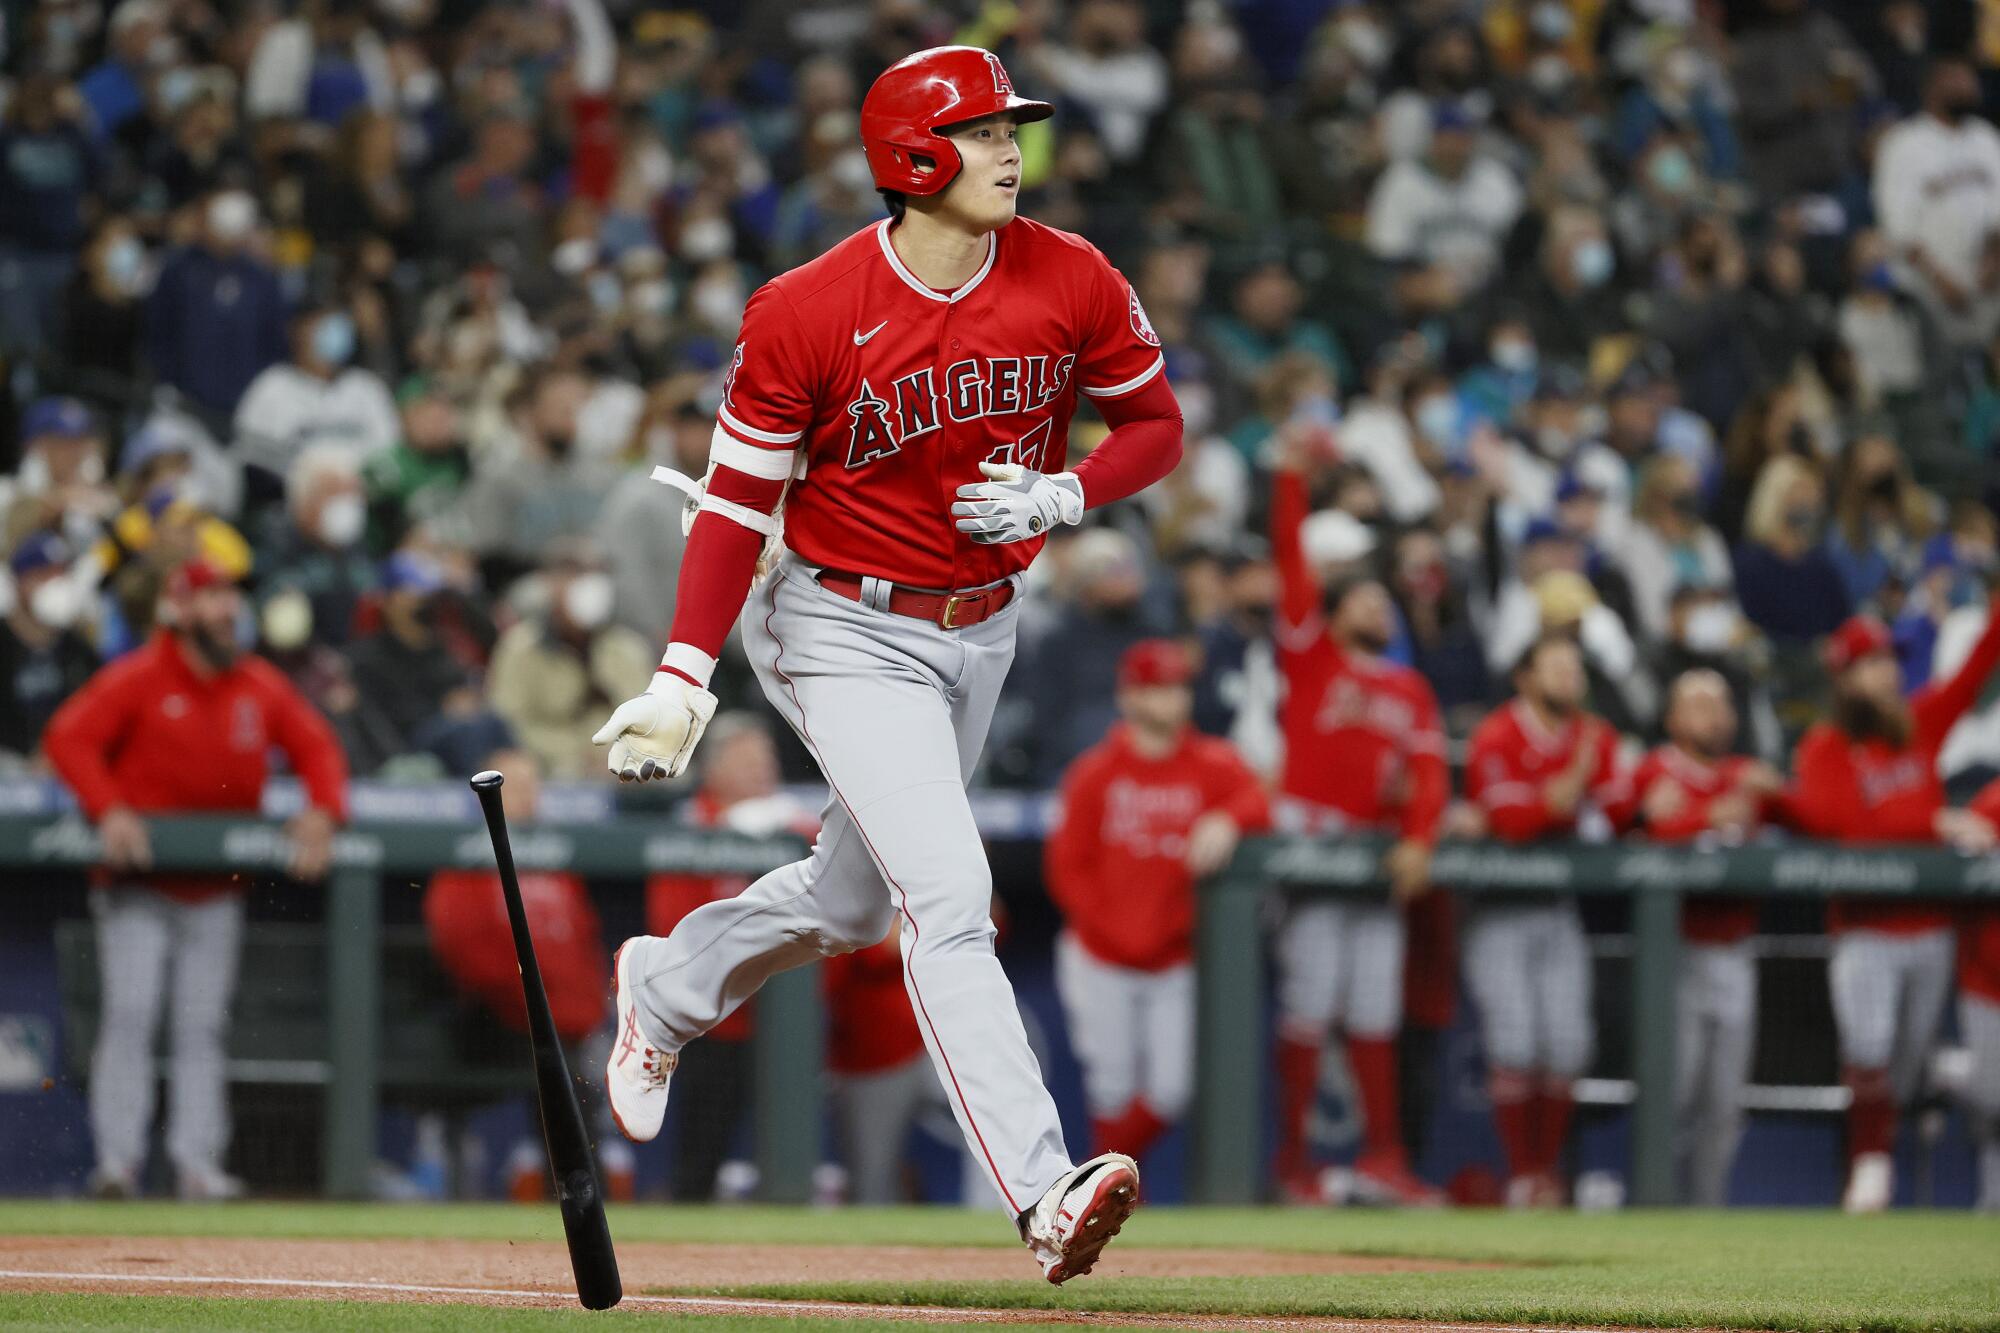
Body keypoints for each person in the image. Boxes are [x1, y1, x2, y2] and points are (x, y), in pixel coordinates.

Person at [593, 47, 1181, 1283]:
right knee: (949, 900)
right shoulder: (805, 306)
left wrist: (1069, 488)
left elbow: (1155, 422)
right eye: (978, 132)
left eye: (1011, 127)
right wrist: (684, 671)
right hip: (838, 623)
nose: (1009, 149)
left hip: (981, 625)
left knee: (855, 900)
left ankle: (663, 992)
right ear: (912, 157)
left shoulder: (1070, 274)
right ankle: (1040, 1189)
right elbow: (737, 504)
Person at [43, 557, 348, 1199]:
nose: (226, 610)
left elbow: (317, 746)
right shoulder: (140, 676)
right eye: (210, 599)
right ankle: (117, 1167)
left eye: (230, 597)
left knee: (200, 1027)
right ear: (179, 612)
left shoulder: (256, 683)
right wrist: (110, 807)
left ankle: (196, 1167)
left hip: (214, 890)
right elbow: (68, 738)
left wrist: (323, 810)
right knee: (130, 1017)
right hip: (138, 886)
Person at [1266, 445, 1449, 1206]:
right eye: (1365, 601)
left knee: (1375, 1010)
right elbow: (1290, 566)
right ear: (1335, 614)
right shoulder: (1310, 658)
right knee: (1309, 1007)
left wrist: (1419, 837)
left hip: (1376, 853)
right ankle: (1294, 1164)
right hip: (1311, 845)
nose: (1379, 607)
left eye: (1385, 602)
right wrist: (1290, 481)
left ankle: (1384, 1157)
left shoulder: (1410, 686)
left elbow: (1429, 775)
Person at [1785, 605, 2000, 1212]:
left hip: (1929, 928)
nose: (1887, 674)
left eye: (1890, 662)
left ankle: (1896, 1137)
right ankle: (1869, 1168)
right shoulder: (1826, 745)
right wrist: (1931, 822)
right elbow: (1843, 825)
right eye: (1873, 662)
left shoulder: (1919, 725)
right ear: (1846, 676)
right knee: (1869, 1053)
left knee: (1904, 1072)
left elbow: (1974, 672)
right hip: (1864, 929)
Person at [1043, 639, 1269, 1167]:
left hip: (1173, 957)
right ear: (1131, 696)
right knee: (1112, 1089)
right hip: (1100, 956)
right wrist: (1112, 930)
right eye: (1161, 689)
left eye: (1180, 688)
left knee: (1172, 1089)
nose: (1175, 700)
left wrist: (1228, 817)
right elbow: (1065, 869)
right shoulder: (1096, 772)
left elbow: (1260, 799)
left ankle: (1096, 1183)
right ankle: (1106, 1197)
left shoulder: (1214, 763)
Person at [1463, 632, 1627, 1207]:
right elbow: (1512, 822)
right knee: (1515, 1042)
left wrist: (1577, 793)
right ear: (1524, 678)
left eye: (1573, 666)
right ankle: (1523, 1173)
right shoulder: (1498, 733)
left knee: (1565, 1045)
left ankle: (1545, 1173)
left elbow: (1618, 813)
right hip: (1497, 904)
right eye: (1554, 665)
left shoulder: (1593, 734)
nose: (1567, 676)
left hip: (1559, 906)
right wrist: (1569, 787)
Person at [1617, 670, 1785, 1205]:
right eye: (1699, 704)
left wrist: (1780, 795)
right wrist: (1701, 816)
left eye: (1721, 703)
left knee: (1724, 1102)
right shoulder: (1655, 769)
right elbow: (1631, 829)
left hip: (1737, 950)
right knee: (1675, 1092)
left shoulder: (1747, 774)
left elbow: (1818, 820)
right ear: (1672, 719)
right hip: (1673, 953)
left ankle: (1707, 1212)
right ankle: (1655, 1203)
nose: (1714, 714)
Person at [420, 747, 609, 1201]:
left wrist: (586, 1011)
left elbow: (585, 944)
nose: (525, 796)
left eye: (531, 785)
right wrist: (531, 1008)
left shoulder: (555, 858)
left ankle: (585, 1197)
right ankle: (581, 1195)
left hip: (564, 1023)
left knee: (581, 1070)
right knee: (561, 1065)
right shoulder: (465, 855)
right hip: (493, 1021)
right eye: (513, 785)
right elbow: (464, 951)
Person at [642, 713, 815, 1201]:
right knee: (703, 1142)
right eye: (746, 760)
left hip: (785, 1019)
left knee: (789, 1146)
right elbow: (674, 927)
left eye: (766, 759)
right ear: (715, 768)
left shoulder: (792, 820)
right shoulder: (694, 825)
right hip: (713, 1021)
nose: (761, 771)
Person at [1873, 56, 2000, 350]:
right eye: (1958, 80)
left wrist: (1994, 259)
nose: (1970, 88)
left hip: (1989, 280)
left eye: (1971, 81)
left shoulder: (1986, 136)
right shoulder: (1903, 144)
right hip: (1929, 291)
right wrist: (1939, 280)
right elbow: (1898, 225)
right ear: (1933, 88)